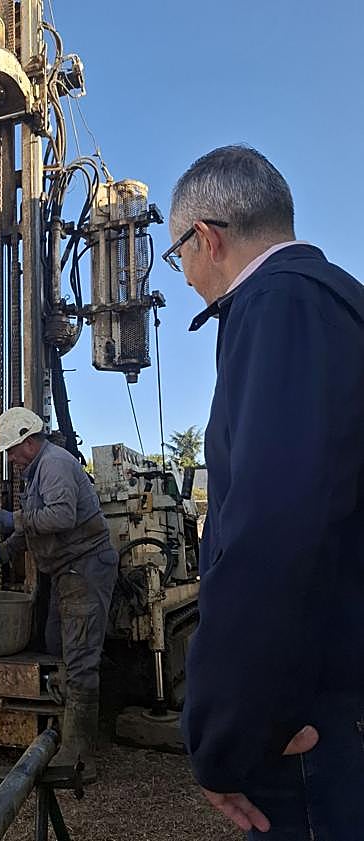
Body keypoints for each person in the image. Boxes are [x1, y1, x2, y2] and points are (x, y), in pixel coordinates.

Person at [162, 145, 364, 838]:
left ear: (207, 239)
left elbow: (272, 532)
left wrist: (229, 734)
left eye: (175, 255)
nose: (183, 277)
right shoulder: (333, 300)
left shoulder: (278, 308)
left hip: (313, 723)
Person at [0, 407, 118, 773]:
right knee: (57, 642)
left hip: (85, 569)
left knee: (79, 658)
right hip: (67, 571)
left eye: (12, 450)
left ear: (29, 441)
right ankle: (66, 731)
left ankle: (78, 754)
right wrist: (1, 554)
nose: (10, 458)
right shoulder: (35, 470)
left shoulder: (55, 464)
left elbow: (60, 517)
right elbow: (34, 527)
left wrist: (13, 519)